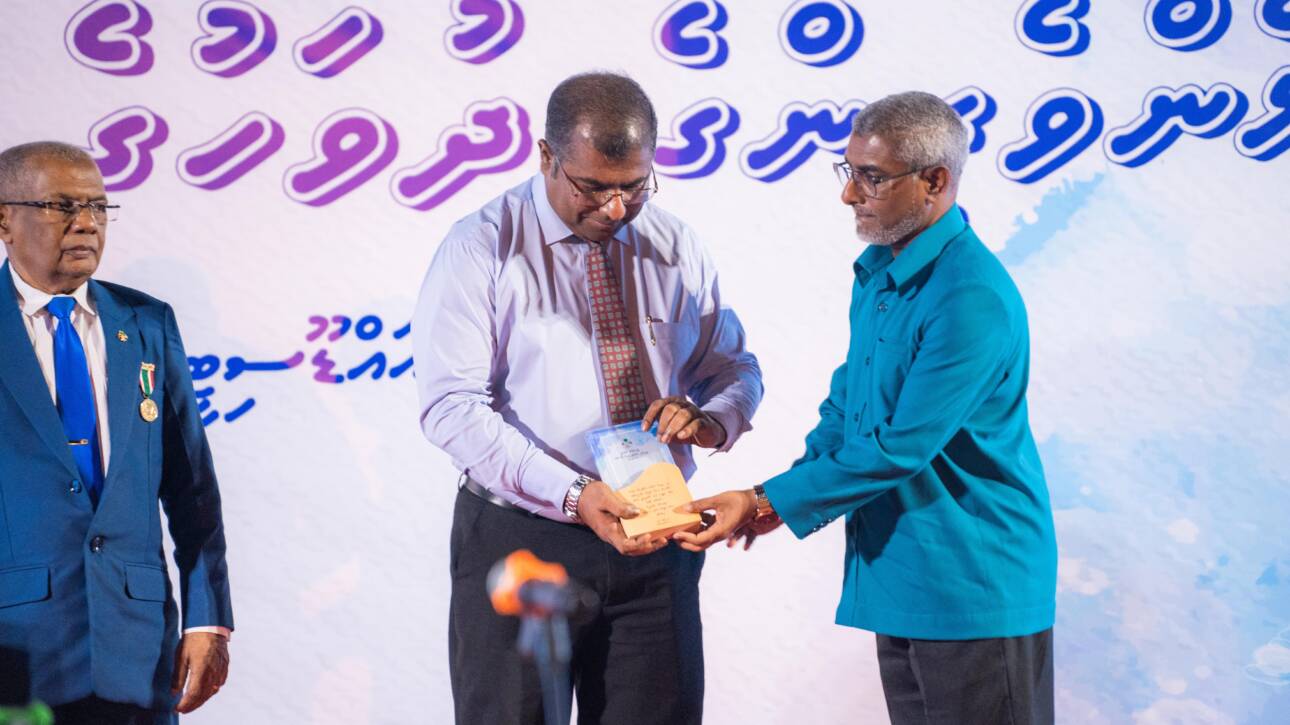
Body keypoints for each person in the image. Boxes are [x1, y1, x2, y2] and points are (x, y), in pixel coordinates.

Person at [676, 92, 1058, 724]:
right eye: (849, 171)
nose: (849, 194)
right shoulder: (883, 270)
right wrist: (769, 502)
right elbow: (847, 407)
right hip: (903, 574)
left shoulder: (970, 296)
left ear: (936, 181)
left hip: (972, 582)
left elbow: (898, 447)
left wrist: (766, 500)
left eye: (872, 178)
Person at [412, 71, 763, 724]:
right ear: (546, 157)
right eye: (594, 187)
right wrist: (574, 493)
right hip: (524, 538)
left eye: (635, 186)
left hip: (655, 535)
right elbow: (451, 406)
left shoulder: (675, 244)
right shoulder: (481, 245)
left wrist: (711, 421)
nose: (616, 209)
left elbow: (734, 368)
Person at [0, 142, 234, 725]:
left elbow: (191, 488)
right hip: (18, 648)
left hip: (137, 646)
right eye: (61, 206)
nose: (86, 223)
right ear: (4, 220)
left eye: (98, 207)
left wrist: (207, 619)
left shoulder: (147, 322)